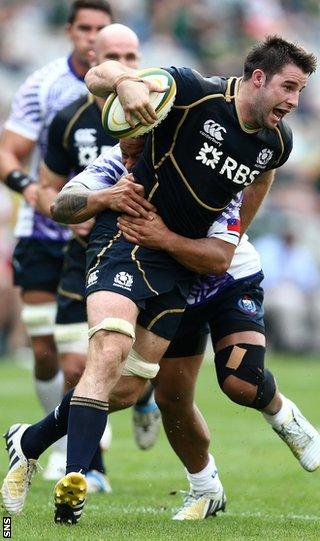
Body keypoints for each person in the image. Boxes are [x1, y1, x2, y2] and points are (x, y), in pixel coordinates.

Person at [2, 36, 317, 525]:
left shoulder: (275, 143)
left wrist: (212, 233)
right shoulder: (186, 94)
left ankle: (29, 441)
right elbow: (95, 81)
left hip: (188, 260)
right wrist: (126, 85)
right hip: (127, 240)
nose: (296, 101)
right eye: (290, 87)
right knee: (109, 350)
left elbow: (235, 224)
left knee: (129, 390)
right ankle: (78, 481)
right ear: (259, 78)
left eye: (301, 90)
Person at [36, 24, 160, 488]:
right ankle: (90, 468)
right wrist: (90, 203)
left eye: (133, 55)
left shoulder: (161, 109)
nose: (126, 66)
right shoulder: (68, 118)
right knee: (81, 365)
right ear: (97, 61)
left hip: (155, 261)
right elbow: (50, 188)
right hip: (85, 253)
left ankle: (144, 397)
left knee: (127, 376)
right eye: (116, 56)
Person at [0, 0, 113, 479]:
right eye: (83, 28)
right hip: (44, 235)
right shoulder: (44, 86)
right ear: (69, 31)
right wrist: (34, 194)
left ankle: (96, 455)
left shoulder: (139, 85)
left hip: (110, 234)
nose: (91, 37)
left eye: (100, 29)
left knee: (98, 352)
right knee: (46, 350)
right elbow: (10, 152)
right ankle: (57, 441)